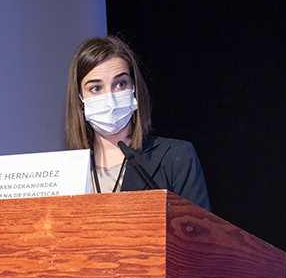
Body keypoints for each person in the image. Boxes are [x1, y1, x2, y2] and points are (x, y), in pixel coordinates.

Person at [64, 35, 211, 211]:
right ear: (80, 99)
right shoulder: (66, 173)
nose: (110, 99)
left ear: (134, 88)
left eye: (120, 84)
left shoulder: (175, 157)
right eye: (96, 88)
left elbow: (198, 227)